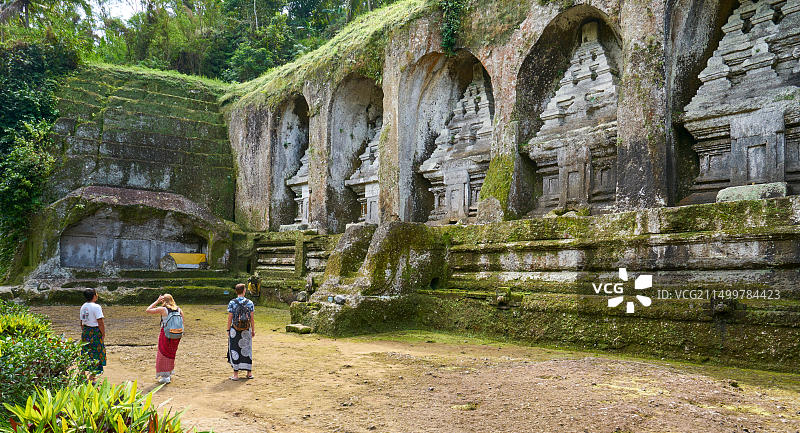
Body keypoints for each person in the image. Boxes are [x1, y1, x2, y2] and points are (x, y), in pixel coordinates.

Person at [145, 294, 183, 384]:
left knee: (163, 354)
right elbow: (182, 322)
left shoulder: (163, 309)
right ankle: (168, 373)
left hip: (166, 334)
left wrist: (157, 301)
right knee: (171, 354)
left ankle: (165, 377)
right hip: (176, 335)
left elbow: (148, 310)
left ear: (163, 301)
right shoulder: (178, 309)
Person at [227, 283, 254, 380]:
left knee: (235, 349)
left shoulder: (232, 302)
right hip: (246, 328)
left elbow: (230, 317)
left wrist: (228, 329)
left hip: (235, 328)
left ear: (236, 291)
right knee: (247, 349)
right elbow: (251, 318)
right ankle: (249, 373)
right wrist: (253, 330)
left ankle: (235, 374)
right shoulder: (250, 302)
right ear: (244, 291)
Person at [79, 288, 106, 382]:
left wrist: (85, 331)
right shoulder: (96, 307)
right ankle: (92, 378)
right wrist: (103, 333)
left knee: (85, 352)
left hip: (86, 331)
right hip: (95, 332)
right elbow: (100, 322)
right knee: (96, 354)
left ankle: (82, 375)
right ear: (94, 296)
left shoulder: (83, 306)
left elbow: (81, 322)